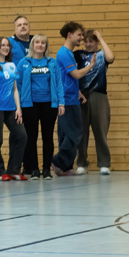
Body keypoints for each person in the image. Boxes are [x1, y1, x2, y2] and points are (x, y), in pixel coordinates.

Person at [50, 22, 94, 178]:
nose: (81, 38)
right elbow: (76, 74)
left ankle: (65, 167)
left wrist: (78, 92)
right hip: (67, 100)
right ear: (70, 35)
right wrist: (90, 66)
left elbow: (67, 78)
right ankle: (57, 161)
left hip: (70, 97)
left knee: (65, 134)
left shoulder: (67, 53)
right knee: (75, 133)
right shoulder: (64, 53)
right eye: (79, 35)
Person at [18, 34, 64, 179]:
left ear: (46, 46)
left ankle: (46, 169)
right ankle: (34, 169)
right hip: (29, 105)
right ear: (32, 45)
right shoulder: (24, 62)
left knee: (48, 137)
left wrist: (61, 102)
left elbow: (59, 83)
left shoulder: (52, 62)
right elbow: (18, 85)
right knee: (31, 138)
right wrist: (18, 105)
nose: (40, 45)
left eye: (43, 43)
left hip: (49, 104)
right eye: (37, 42)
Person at [76, 29, 115, 175]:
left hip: (99, 95)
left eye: (91, 41)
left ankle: (104, 164)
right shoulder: (78, 54)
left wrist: (101, 38)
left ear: (96, 42)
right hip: (82, 96)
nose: (88, 44)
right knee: (82, 132)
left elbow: (111, 57)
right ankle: (81, 163)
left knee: (100, 131)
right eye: (85, 41)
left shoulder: (101, 54)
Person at [0, 37, 27, 181]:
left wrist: (18, 108)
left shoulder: (12, 65)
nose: (6, 48)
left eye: (7, 45)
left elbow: (15, 88)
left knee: (21, 135)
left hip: (11, 108)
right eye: (2, 45)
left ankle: (13, 170)